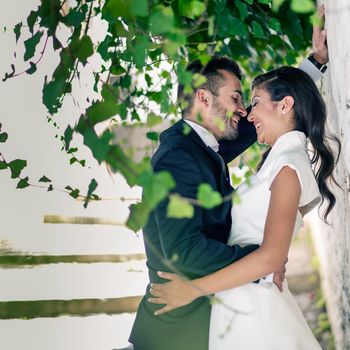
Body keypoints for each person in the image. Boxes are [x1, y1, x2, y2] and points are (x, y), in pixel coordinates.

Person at [129, 8, 330, 349]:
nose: (243, 110)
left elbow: (273, 112)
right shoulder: (179, 157)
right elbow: (184, 253)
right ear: (203, 98)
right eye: (236, 98)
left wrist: (315, 63)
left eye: (245, 101)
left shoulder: (202, 147)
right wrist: (262, 259)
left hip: (211, 317)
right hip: (176, 329)